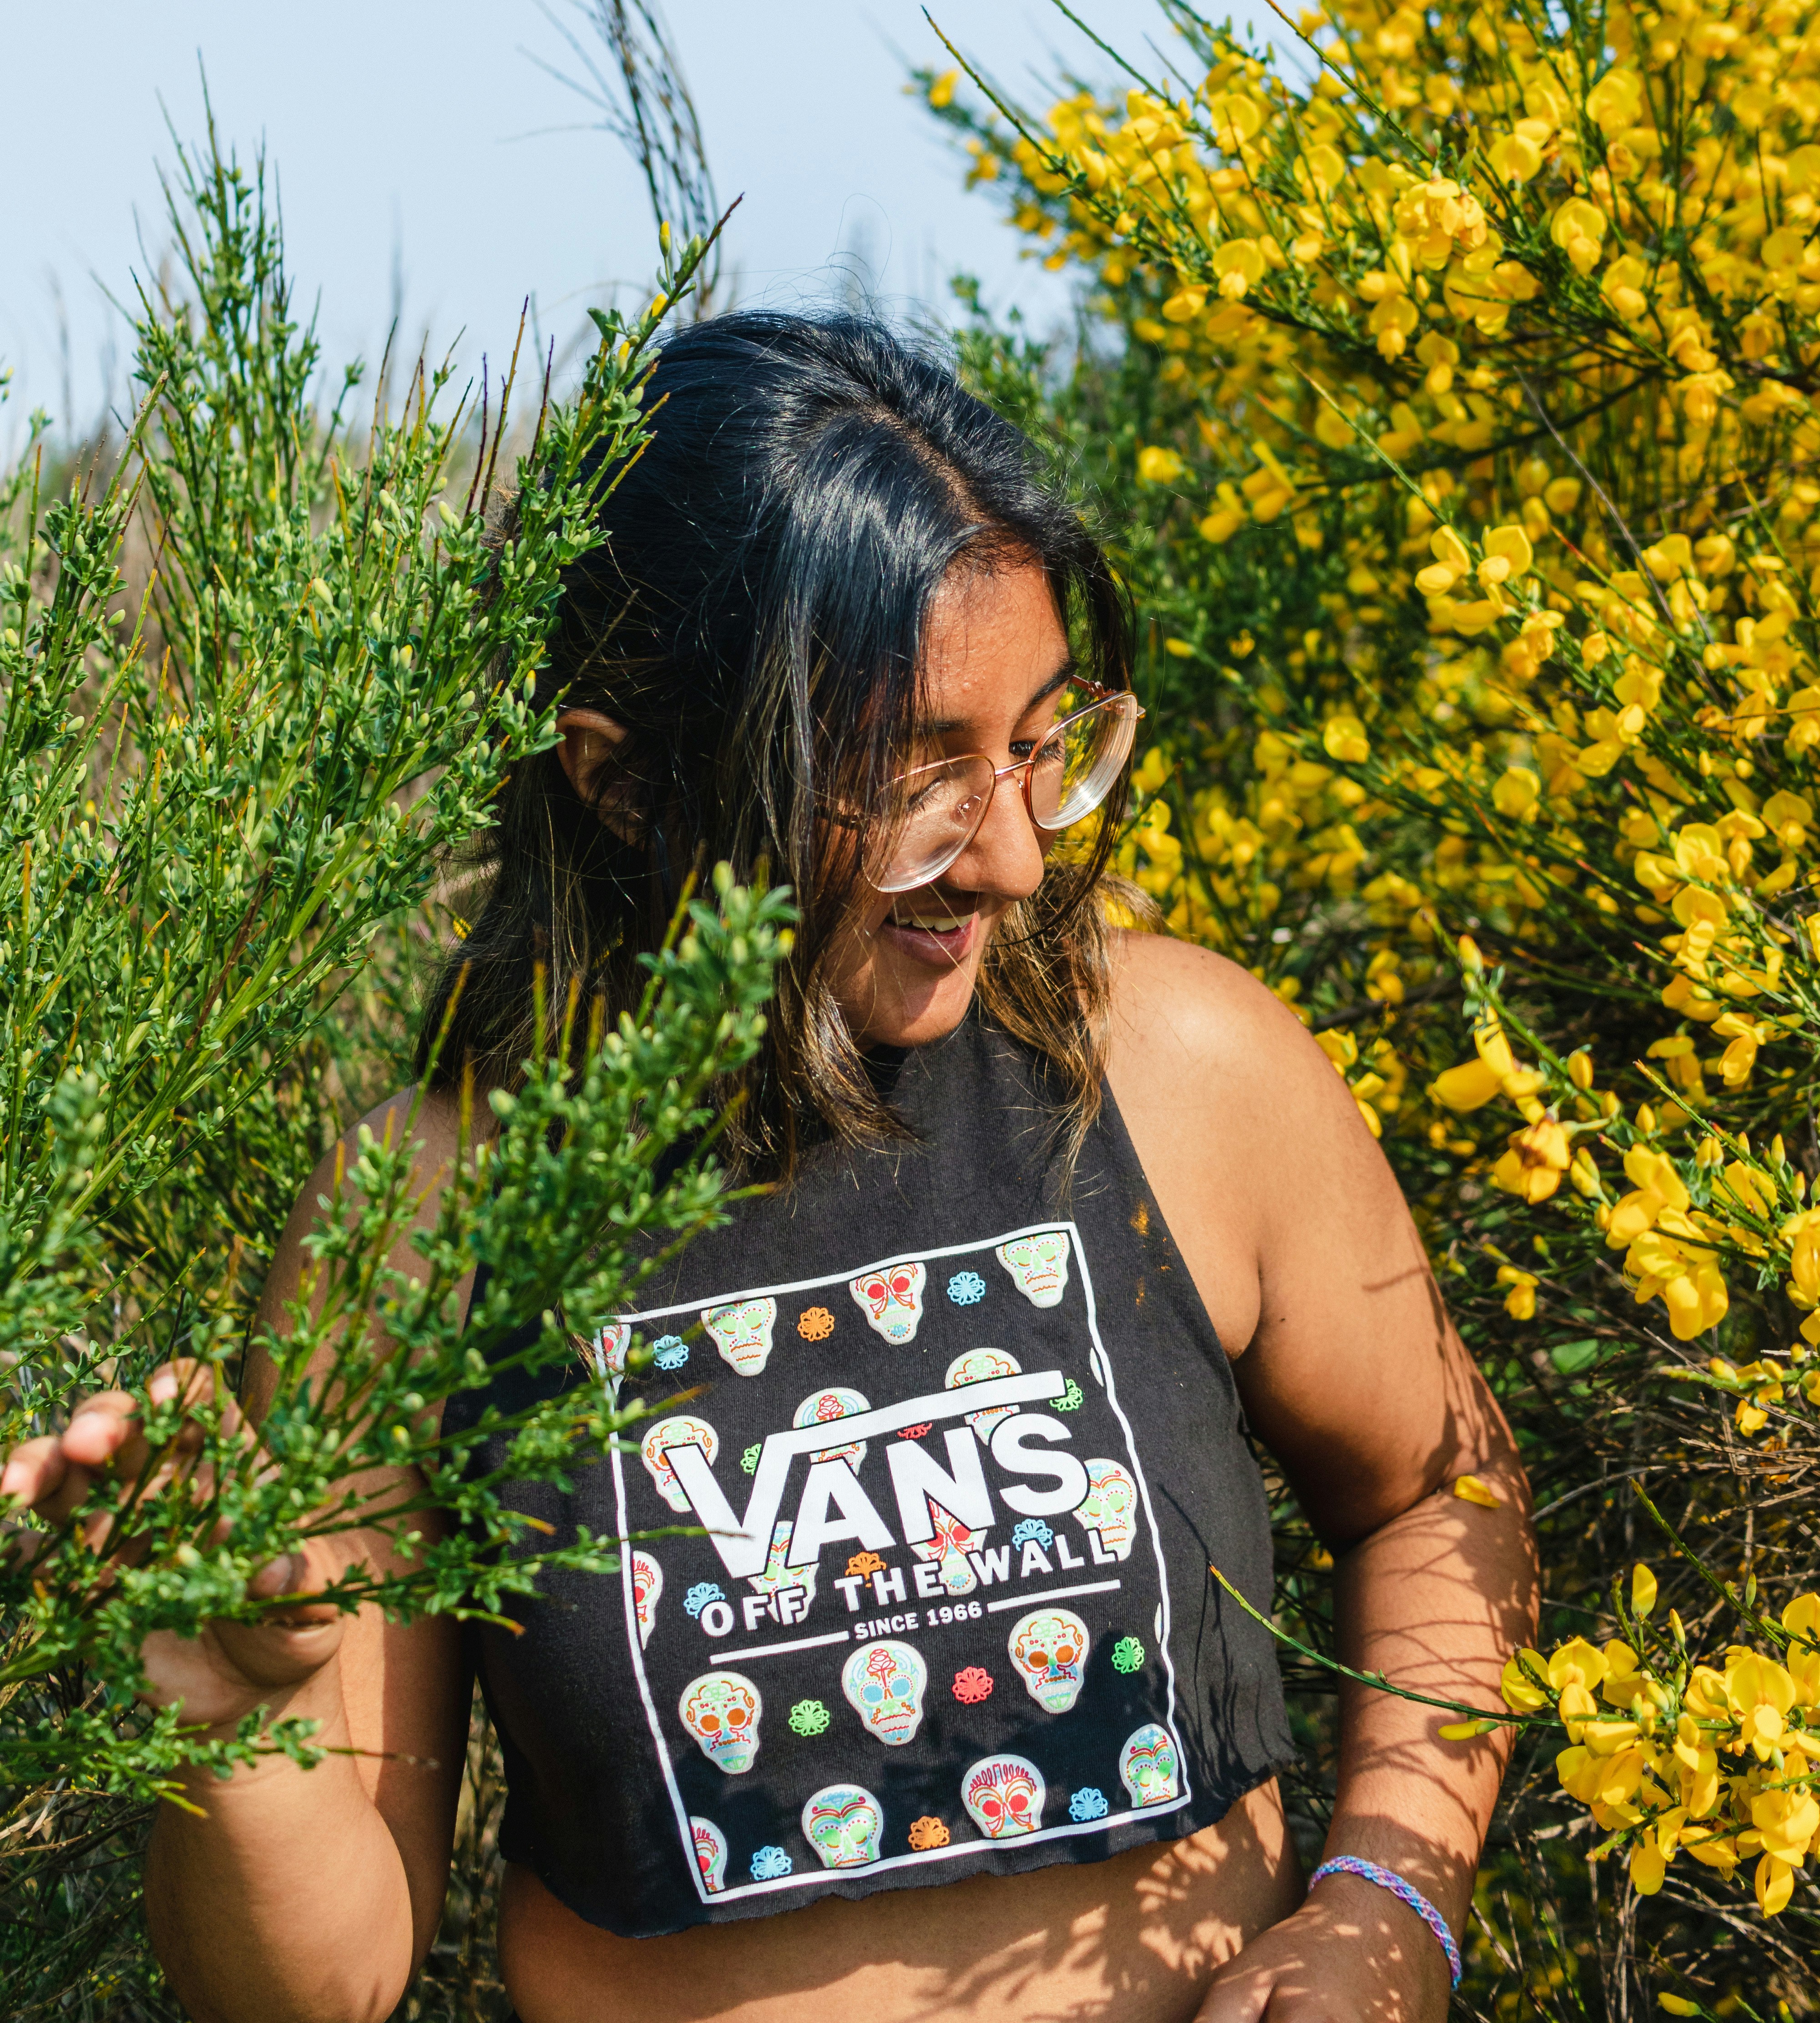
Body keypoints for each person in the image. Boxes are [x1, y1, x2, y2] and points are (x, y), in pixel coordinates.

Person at [3, 313, 1535, 2023]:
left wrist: (1388, 1901)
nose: (1016, 857)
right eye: (912, 778)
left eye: (1038, 745)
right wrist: (237, 1716)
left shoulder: (1176, 1074)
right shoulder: (430, 1224)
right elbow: (321, 1986)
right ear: (630, 783)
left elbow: (1434, 1495)